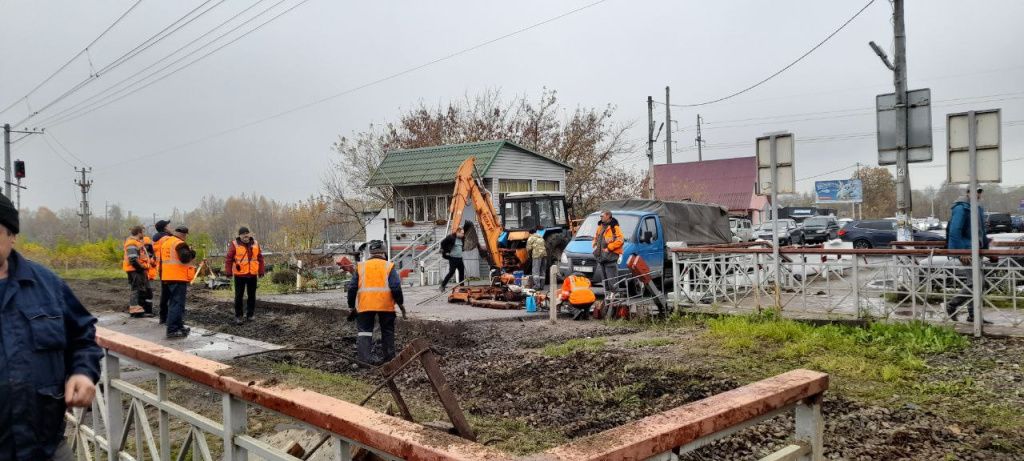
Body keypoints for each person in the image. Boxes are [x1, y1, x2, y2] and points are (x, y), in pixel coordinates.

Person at [0, 193, 102, 460]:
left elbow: (82, 336)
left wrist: (82, 372)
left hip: (45, 448)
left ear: (12, 235)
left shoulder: (47, 285)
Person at [346, 240, 406, 365]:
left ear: (370, 253)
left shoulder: (361, 267)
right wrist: (400, 304)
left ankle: (364, 361)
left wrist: (351, 307)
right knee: (387, 331)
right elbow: (395, 287)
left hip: (365, 305)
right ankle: (390, 359)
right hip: (386, 306)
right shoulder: (389, 266)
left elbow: (352, 288)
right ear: (383, 252)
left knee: (364, 331)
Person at [945, 187, 994, 324]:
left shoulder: (977, 208)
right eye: (973, 191)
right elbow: (955, 231)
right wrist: (961, 252)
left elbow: (981, 231)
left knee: (979, 283)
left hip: (976, 251)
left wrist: (986, 250)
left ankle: (973, 315)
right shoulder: (961, 208)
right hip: (967, 252)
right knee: (976, 283)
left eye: (979, 191)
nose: (977, 194)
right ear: (967, 192)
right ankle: (952, 305)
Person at [160, 225, 197, 338]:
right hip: (178, 277)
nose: (185, 238)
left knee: (174, 303)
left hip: (167, 276)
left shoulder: (166, 242)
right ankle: (172, 330)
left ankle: (179, 326)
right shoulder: (179, 243)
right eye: (185, 235)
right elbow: (185, 258)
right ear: (183, 234)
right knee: (177, 304)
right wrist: (192, 252)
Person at [225, 226, 265, 325]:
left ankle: (250, 315)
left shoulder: (255, 244)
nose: (245, 235)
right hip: (240, 275)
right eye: (243, 234)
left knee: (252, 296)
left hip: (252, 274)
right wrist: (228, 272)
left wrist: (261, 271)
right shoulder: (234, 244)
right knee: (239, 296)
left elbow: (260, 258)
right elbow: (229, 259)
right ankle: (239, 316)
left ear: (249, 234)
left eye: (247, 233)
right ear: (240, 235)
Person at [123, 225, 153, 318]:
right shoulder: (131, 243)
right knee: (137, 290)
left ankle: (140, 310)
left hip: (138, 270)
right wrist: (142, 268)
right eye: (142, 232)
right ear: (139, 233)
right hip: (135, 270)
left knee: (142, 289)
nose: (143, 234)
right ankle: (136, 311)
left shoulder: (137, 242)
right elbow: (133, 260)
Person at [593, 210, 624, 288]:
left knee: (612, 282)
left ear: (608, 216)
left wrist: (609, 248)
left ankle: (614, 297)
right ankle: (607, 298)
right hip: (601, 258)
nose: (601, 217)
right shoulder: (600, 227)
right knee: (605, 282)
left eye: (602, 216)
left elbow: (620, 241)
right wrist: (594, 244)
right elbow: (596, 238)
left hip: (610, 258)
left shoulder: (615, 228)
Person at [151, 219, 172, 325]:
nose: (170, 227)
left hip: (162, 269)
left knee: (165, 294)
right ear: (164, 228)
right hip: (169, 269)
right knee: (171, 294)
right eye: (168, 225)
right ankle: (168, 318)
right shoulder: (167, 239)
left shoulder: (155, 240)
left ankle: (163, 317)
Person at [439, 227, 465, 291]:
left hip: (460, 259)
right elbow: (443, 243)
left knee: (462, 273)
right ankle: (442, 285)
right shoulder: (451, 237)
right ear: (457, 232)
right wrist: (444, 251)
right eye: (462, 233)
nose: (463, 235)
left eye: (463, 233)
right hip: (453, 259)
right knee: (451, 272)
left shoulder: (462, 239)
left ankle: (462, 287)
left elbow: (462, 246)